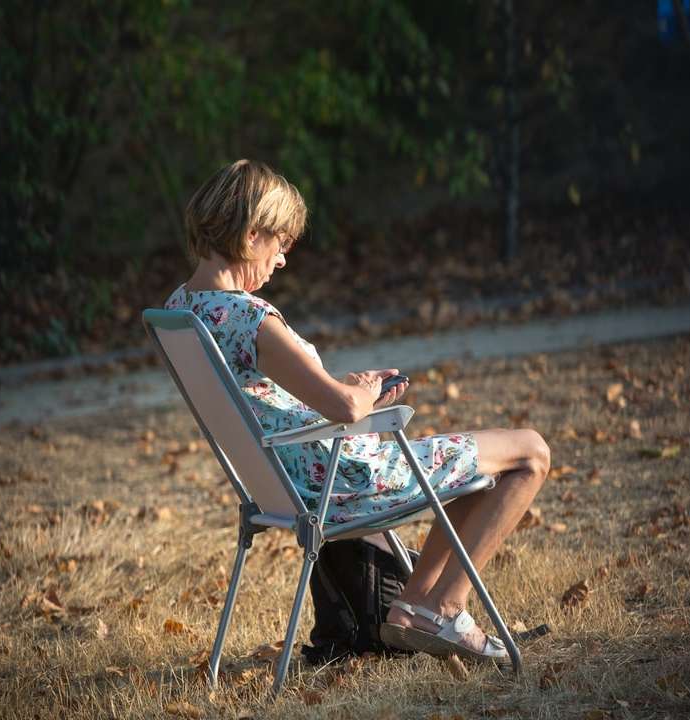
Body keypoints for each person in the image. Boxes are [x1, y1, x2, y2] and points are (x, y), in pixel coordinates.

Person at [164, 159, 550, 664]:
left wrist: (338, 389)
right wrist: (361, 394)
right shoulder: (251, 318)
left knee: (477, 463)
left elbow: (260, 399)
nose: (281, 259)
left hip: (281, 483)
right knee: (529, 452)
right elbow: (345, 408)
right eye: (280, 243)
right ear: (252, 233)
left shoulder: (180, 310)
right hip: (339, 483)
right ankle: (439, 607)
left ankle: (418, 604)